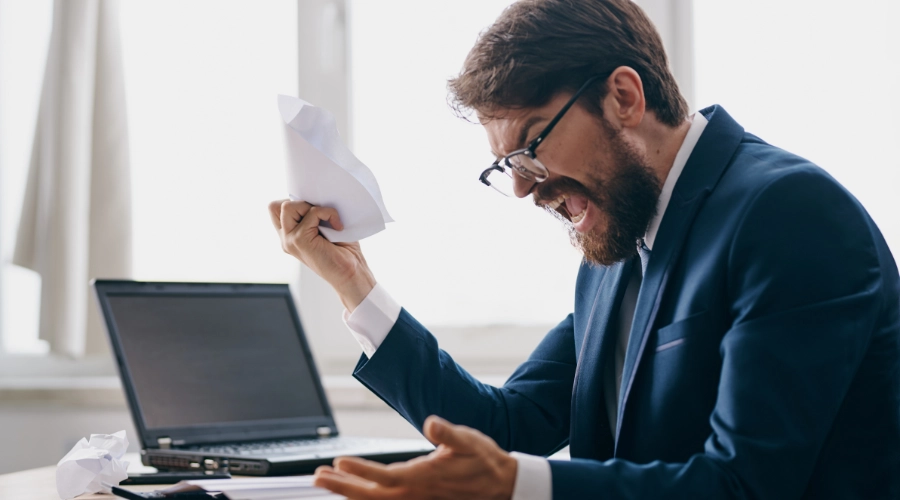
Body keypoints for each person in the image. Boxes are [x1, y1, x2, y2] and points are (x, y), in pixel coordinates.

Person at [268, 0, 900, 498]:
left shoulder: (788, 214)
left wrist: (518, 486)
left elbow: (746, 486)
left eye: (528, 147)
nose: (520, 188)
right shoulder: (621, 240)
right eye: (504, 166)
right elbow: (506, 429)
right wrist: (354, 283)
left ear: (623, 97)